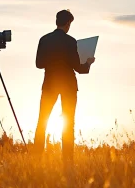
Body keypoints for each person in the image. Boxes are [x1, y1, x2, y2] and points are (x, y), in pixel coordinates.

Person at [33, 9, 95, 162]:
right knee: (68, 123)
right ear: (67, 23)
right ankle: (67, 161)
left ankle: (36, 159)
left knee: (42, 121)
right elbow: (79, 69)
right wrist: (88, 63)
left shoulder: (44, 40)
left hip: (49, 85)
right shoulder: (71, 42)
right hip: (68, 86)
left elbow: (39, 64)